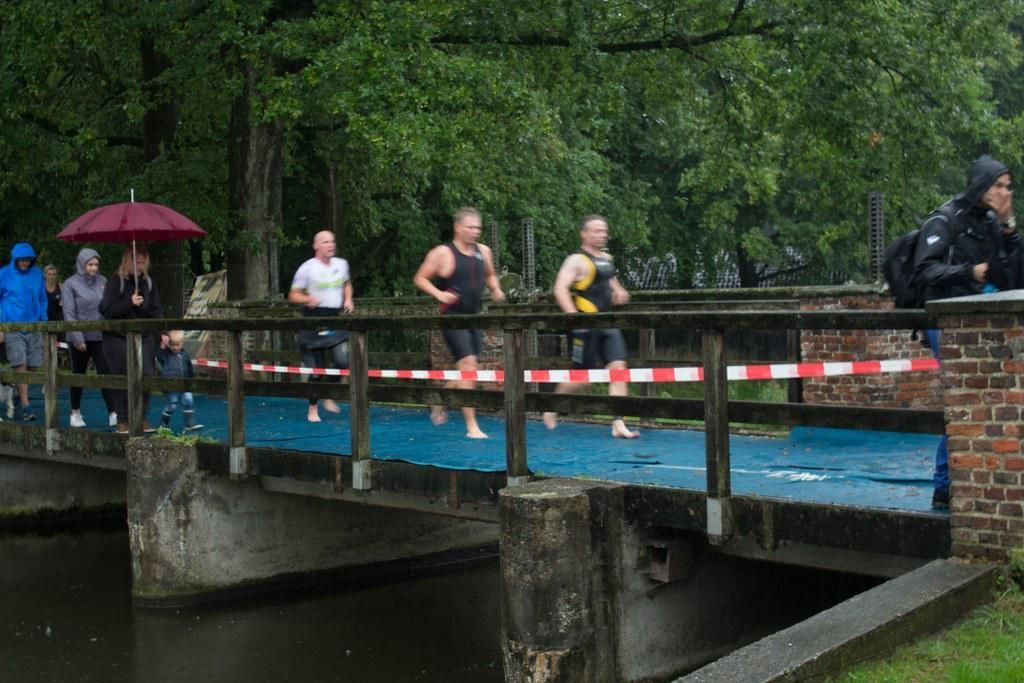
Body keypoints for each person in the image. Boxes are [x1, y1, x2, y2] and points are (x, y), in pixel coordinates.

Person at [914, 154, 1023, 509]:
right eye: (999, 186)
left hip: (982, 323)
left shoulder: (994, 223)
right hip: (945, 323)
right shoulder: (944, 219)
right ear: (982, 186)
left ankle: (981, 477)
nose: (1005, 193)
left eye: (1009, 187)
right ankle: (944, 486)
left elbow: (1012, 277)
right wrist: (969, 272)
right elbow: (924, 272)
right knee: (961, 395)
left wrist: (1009, 228)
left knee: (983, 398)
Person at [543, 215, 639, 439]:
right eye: (596, 231)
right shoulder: (575, 260)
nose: (601, 235)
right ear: (584, 234)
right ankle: (551, 406)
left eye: (604, 231)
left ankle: (618, 422)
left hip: (608, 323)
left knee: (618, 369)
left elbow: (611, 284)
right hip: (586, 324)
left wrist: (620, 292)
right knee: (582, 377)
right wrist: (574, 318)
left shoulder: (606, 259)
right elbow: (560, 289)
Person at [413, 207, 505, 439]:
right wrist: (439, 295)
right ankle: (471, 426)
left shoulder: (483, 251)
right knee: (468, 366)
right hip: (452, 318)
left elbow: (490, 274)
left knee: (469, 371)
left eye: (478, 228)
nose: (475, 232)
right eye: (470, 227)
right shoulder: (443, 253)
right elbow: (420, 278)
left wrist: (495, 288)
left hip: (473, 318)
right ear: (458, 227)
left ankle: (439, 400)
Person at [288, 230, 355, 423]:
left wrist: (348, 299)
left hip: (333, 318)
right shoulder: (307, 268)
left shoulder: (341, 264)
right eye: (325, 242)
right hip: (313, 319)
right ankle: (312, 407)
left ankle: (328, 394)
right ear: (316, 246)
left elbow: (347, 284)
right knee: (316, 370)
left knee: (342, 362)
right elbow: (293, 295)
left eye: (332, 242)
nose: (330, 245)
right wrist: (307, 298)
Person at [99, 245, 162, 433]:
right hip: (118, 336)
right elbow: (106, 309)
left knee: (148, 374)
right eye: (136, 261)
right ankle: (123, 419)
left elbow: (156, 310)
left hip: (143, 335)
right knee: (122, 375)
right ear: (128, 261)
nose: (139, 265)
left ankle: (141, 415)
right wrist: (129, 303)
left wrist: (162, 332)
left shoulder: (148, 283)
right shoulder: (115, 281)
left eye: (143, 262)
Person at [62, 248, 118, 428]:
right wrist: (77, 338)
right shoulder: (70, 284)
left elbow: (110, 305)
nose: (94, 268)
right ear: (82, 264)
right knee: (78, 374)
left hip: (101, 335)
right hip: (79, 336)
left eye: (96, 264)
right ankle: (75, 412)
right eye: (90, 264)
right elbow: (69, 312)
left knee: (105, 373)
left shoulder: (103, 281)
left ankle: (113, 412)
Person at [0, 242, 47, 421]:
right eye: (22, 260)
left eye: (28, 260)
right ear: (15, 259)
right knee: (20, 365)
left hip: (34, 326)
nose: (25, 263)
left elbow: (42, 298)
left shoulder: (37, 274)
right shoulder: (4, 274)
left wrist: (43, 319)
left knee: (33, 366)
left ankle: (19, 394)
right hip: (12, 326)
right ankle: (27, 407)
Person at [156, 330, 203, 431]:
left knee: (189, 401)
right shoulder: (166, 354)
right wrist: (163, 345)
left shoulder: (185, 354)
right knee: (172, 404)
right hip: (172, 385)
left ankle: (189, 424)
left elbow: (189, 367)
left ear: (182, 343)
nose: (175, 347)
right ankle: (164, 424)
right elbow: (159, 356)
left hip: (185, 383)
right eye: (172, 345)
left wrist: (191, 380)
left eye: (178, 345)